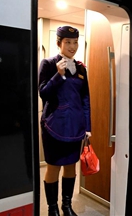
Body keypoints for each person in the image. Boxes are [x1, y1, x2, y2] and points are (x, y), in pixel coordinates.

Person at [39, 26, 92, 216]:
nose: (72, 46)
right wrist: (58, 75)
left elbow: (85, 99)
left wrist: (88, 126)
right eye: (68, 42)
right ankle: (52, 208)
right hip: (54, 124)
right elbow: (43, 93)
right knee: (53, 166)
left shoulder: (80, 68)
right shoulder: (48, 63)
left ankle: (66, 206)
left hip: (75, 127)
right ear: (59, 43)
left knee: (71, 165)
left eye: (75, 42)